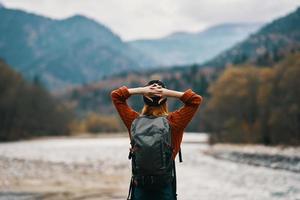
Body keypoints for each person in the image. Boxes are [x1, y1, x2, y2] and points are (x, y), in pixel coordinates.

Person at [111, 80, 203, 200]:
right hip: (164, 187)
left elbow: (116, 96)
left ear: (145, 100)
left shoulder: (134, 121)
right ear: (164, 99)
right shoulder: (174, 122)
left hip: (140, 187)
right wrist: (168, 92)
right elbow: (195, 100)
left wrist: (141, 90)